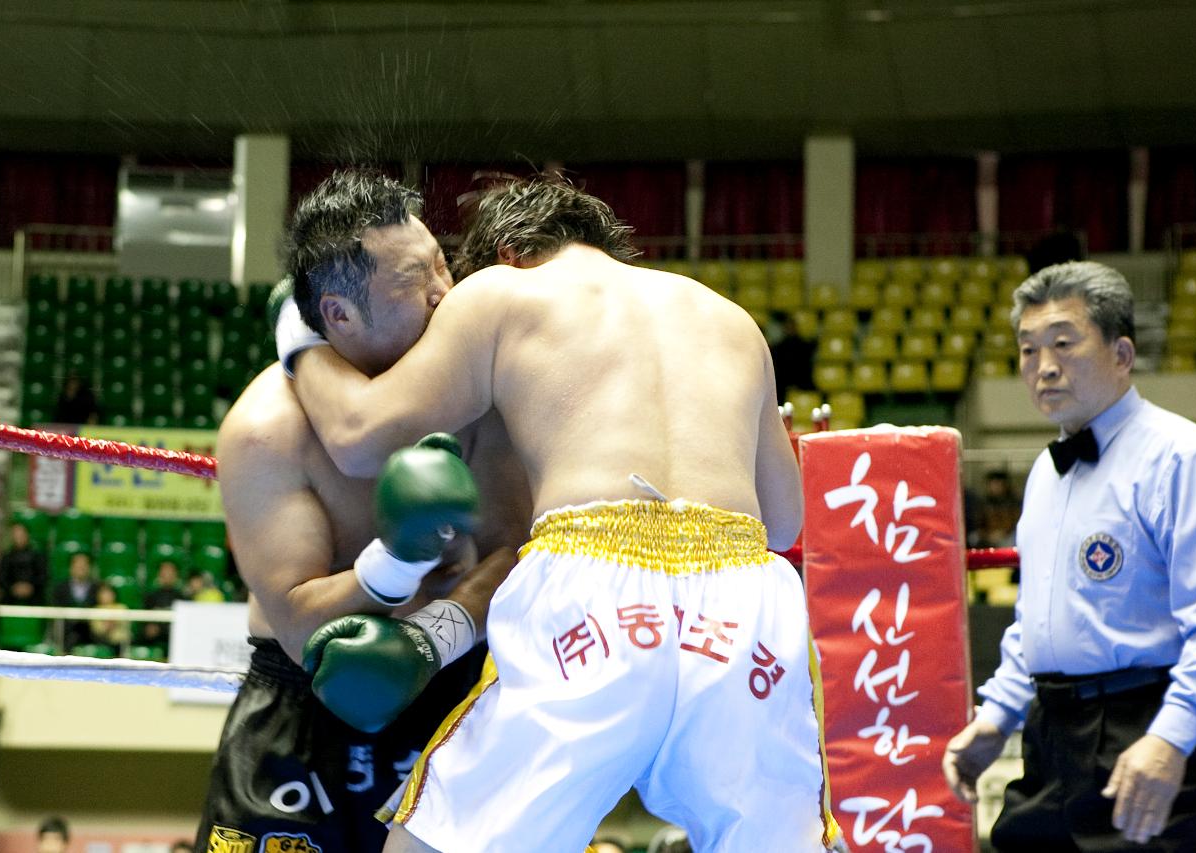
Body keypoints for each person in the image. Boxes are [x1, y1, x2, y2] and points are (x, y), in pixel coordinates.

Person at [281, 178, 832, 852]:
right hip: (743, 604)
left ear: (507, 254)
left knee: (436, 840)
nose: (441, 292)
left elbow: (358, 435)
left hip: (595, 589)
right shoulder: (728, 316)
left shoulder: (501, 293)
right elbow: (782, 524)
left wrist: (299, 338)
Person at [196, 168, 532, 851]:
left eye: (445, 263)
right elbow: (296, 621)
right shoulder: (268, 429)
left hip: (456, 682)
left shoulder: (479, 395)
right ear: (341, 314)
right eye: (417, 279)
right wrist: (396, 561)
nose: (448, 293)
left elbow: (513, 551)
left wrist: (432, 633)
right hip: (304, 709)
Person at [942, 261, 1196, 850]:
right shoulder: (1047, 471)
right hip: (1054, 737)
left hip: (1148, 724)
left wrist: (1172, 738)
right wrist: (997, 718)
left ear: (1122, 354)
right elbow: (1036, 621)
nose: (1043, 367)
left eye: (1064, 344)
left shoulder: (1184, 458)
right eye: (1027, 349)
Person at [48, 551, 100, 649]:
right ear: (71, 567)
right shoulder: (60, 588)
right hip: (66, 634)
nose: (81, 567)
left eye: (84, 564)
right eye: (77, 564)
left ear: (90, 567)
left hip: (91, 636)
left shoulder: (98, 588)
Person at [0, 521, 47, 605]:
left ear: (27, 534)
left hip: (35, 596)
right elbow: (1, 578)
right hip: (10, 596)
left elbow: (43, 576)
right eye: (16, 533)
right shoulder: (7, 556)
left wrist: (30, 587)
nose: (18, 536)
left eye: (21, 533)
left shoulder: (38, 556)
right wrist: (13, 588)